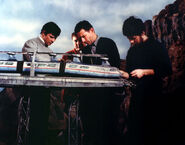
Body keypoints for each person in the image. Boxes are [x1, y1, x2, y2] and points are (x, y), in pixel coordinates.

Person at [120, 16, 172, 145]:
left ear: (142, 33)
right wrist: (123, 74)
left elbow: (167, 70)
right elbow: (131, 74)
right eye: (128, 39)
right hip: (137, 100)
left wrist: (145, 72)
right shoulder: (131, 52)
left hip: (153, 99)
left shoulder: (156, 47)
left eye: (133, 38)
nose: (131, 41)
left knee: (152, 136)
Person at [74, 20, 121, 145]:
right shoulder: (84, 51)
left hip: (107, 98)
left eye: (84, 36)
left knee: (107, 133)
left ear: (92, 30)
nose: (82, 41)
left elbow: (115, 67)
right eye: (80, 38)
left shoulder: (108, 43)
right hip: (90, 99)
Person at [22, 21, 61, 145]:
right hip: (33, 89)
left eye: (55, 38)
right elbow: (36, 63)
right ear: (43, 33)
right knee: (34, 122)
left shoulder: (49, 50)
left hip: (45, 89)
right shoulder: (31, 43)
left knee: (43, 121)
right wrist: (53, 63)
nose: (53, 40)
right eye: (51, 36)